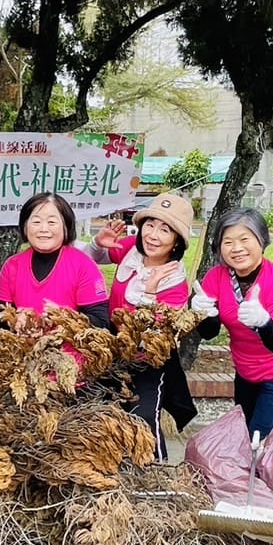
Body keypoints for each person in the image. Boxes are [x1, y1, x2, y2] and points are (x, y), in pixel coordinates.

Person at [89, 192, 200, 457]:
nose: (153, 235)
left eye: (165, 230)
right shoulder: (133, 250)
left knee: (143, 418)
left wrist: (149, 292)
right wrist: (98, 243)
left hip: (148, 360)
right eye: (149, 225)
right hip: (114, 350)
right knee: (106, 416)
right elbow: (96, 256)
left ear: (176, 242)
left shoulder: (174, 284)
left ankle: (155, 474)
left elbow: (150, 336)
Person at [192, 207, 273, 437]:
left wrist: (264, 322)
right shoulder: (216, 276)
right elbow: (209, 333)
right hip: (245, 372)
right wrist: (200, 312)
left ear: (262, 240)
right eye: (228, 242)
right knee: (245, 434)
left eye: (245, 239)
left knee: (261, 439)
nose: (236, 248)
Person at [0, 192, 110, 327]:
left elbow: (102, 322)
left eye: (52, 222)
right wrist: (14, 319)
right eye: (36, 222)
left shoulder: (83, 265)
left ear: (66, 227)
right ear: (25, 227)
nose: (44, 229)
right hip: (24, 347)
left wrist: (64, 318)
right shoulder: (12, 265)